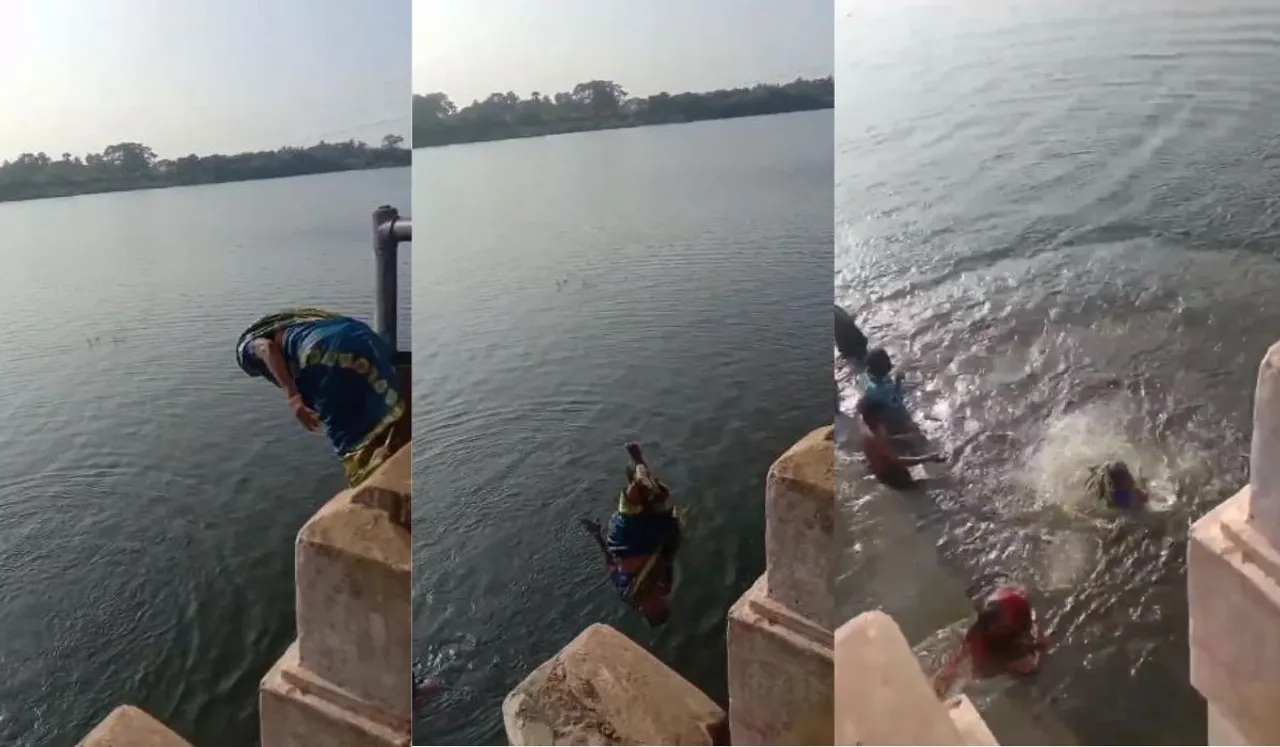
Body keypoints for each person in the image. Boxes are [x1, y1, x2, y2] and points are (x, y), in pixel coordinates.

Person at [235, 308, 410, 502]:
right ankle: (395, 462)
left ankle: (366, 493)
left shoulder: (246, 347)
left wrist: (292, 397)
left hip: (323, 352)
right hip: (364, 337)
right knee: (385, 408)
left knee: (347, 438)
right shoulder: (303, 322)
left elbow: (266, 348)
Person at [581, 443, 682, 626]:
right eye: (661, 604)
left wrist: (597, 536)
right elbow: (667, 559)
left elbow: (611, 566)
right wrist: (673, 534)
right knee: (658, 502)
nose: (656, 602)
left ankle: (638, 478)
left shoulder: (629, 594)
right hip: (650, 544)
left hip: (625, 545)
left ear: (645, 610)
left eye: (654, 607)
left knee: (630, 511)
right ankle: (640, 465)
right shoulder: (664, 586)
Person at [933, 585, 1048, 696]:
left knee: (998, 666)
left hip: (1003, 641)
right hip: (993, 641)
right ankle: (952, 677)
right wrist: (953, 667)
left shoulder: (1017, 619)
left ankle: (954, 678)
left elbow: (1023, 643)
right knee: (983, 666)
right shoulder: (990, 622)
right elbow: (971, 637)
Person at [857, 398, 946, 489]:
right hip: (891, 476)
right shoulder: (876, 437)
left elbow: (883, 444)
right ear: (875, 417)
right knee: (933, 485)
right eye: (882, 414)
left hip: (879, 464)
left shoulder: (866, 426)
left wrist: (903, 437)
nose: (885, 416)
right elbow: (898, 461)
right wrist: (928, 458)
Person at [861, 347, 911, 430]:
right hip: (893, 420)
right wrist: (898, 381)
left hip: (876, 412)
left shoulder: (864, 379)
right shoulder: (887, 389)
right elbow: (896, 401)